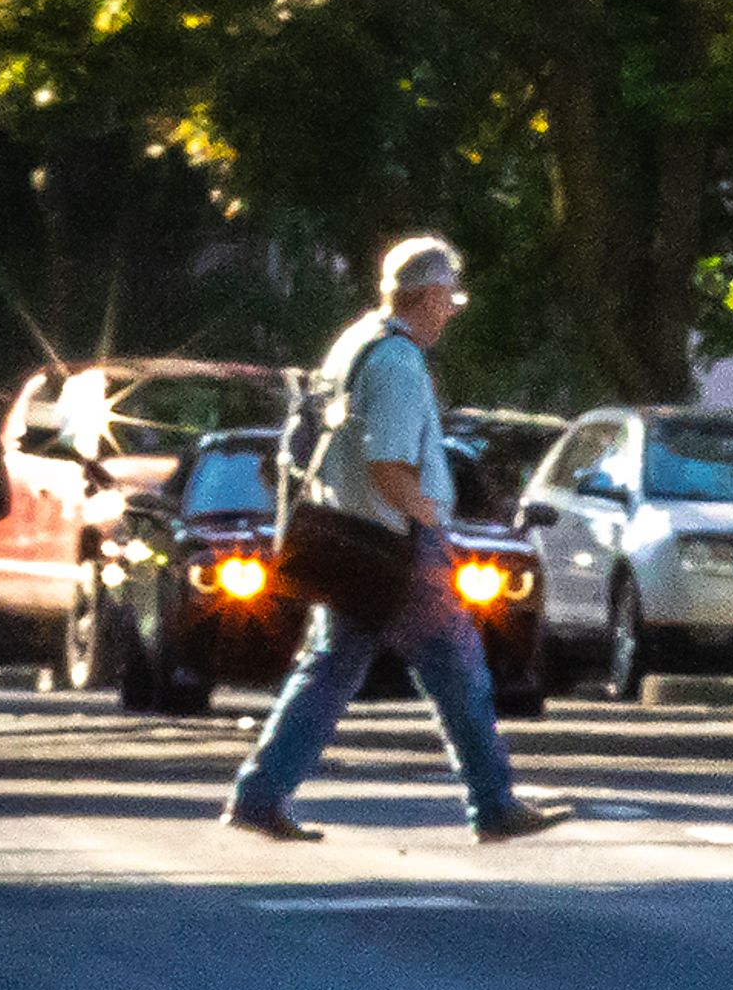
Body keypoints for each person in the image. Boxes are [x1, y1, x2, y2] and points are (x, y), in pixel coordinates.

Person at [224, 238, 567, 844]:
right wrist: (430, 517)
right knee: (460, 670)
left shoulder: (355, 344)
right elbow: (389, 464)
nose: (450, 314)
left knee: (329, 671)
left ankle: (259, 794)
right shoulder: (400, 363)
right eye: (448, 301)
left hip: (348, 541)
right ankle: (493, 805)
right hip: (396, 547)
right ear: (428, 296)